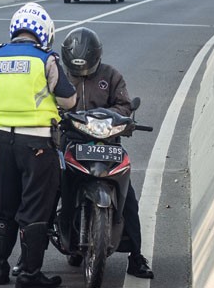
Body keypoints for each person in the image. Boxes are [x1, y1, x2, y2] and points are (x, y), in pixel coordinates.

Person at [0, 3, 76, 287]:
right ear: (43, 32)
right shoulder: (46, 59)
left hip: (3, 140)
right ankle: (30, 275)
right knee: (35, 207)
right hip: (38, 143)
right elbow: (69, 100)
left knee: (3, 206)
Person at [59, 26, 154, 279]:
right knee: (45, 192)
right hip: (70, 142)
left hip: (107, 144)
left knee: (129, 200)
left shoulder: (111, 76)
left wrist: (119, 121)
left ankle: (136, 256)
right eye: (76, 68)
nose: (81, 73)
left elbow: (124, 104)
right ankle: (28, 258)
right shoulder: (58, 74)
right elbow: (47, 100)